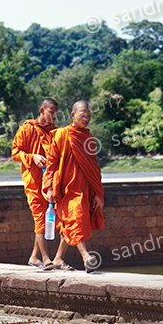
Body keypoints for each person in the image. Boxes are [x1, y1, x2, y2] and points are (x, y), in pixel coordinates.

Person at [43, 100, 104, 273]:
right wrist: (48, 187)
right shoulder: (61, 135)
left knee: (71, 223)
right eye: (82, 115)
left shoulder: (88, 139)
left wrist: (98, 193)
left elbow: (94, 169)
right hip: (65, 189)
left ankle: (58, 258)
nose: (86, 119)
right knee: (75, 220)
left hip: (84, 189)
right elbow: (52, 163)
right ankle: (87, 257)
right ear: (72, 115)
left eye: (88, 116)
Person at [11, 98, 60, 270]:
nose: (54, 116)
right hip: (32, 181)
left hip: (49, 183)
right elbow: (15, 153)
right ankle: (46, 259)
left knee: (49, 219)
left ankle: (34, 257)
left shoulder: (54, 132)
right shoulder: (27, 129)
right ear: (42, 110)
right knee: (40, 218)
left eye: (55, 113)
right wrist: (33, 157)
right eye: (51, 112)